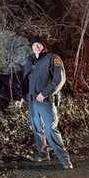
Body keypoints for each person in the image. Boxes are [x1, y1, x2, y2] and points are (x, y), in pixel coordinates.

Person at [15, 35, 72, 169]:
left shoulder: (53, 58)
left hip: (45, 101)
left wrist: (44, 93)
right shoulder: (29, 61)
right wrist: (22, 98)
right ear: (32, 47)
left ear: (43, 45)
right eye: (34, 44)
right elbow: (26, 81)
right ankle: (43, 154)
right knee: (37, 129)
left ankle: (65, 160)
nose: (36, 46)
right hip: (31, 101)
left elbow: (59, 80)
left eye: (39, 44)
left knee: (51, 129)